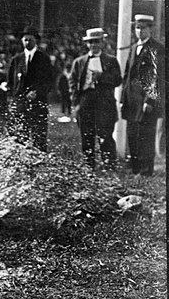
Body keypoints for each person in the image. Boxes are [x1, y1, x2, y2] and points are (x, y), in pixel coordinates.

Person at [68, 27, 122, 170]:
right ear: (87, 44)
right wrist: (76, 102)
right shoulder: (79, 62)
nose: (94, 45)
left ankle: (109, 165)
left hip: (104, 101)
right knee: (87, 135)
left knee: (105, 135)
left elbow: (118, 80)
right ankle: (89, 166)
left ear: (102, 43)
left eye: (97, 42)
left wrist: (102, 76)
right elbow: (72, 83)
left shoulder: (111, 60)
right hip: (86, 100)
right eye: (91, 42)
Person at [121, 14, 165, 177]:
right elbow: (127, 75)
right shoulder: (134, 48)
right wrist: (122, 99)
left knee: (146, 135)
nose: (140, 31)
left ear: (150, 29)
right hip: (132, 99)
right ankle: (135, 168)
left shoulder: (157, 48)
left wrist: (150, 100)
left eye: (143, 28)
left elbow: (157, 76)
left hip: (146, 99)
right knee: (132, 133)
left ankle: (146, 170)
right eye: (137, 28)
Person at [7, 26, 53, 151]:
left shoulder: (44, 58)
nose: (27, 42)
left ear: (36, 41)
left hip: (38, 103)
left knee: (39, 135)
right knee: (21, 135)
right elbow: (10, 83)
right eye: (25, 40)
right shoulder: (16, 60)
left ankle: (40, 162)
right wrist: (14, 99)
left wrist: (37, 92)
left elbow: (49, 81)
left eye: (30, 40)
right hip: (20, 104)